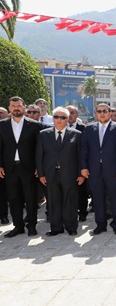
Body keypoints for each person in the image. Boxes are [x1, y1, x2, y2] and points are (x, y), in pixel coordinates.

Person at [80, 103, 116, 235]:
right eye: (99, 111)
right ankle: (100, 224)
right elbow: (84, 149)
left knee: (114, 197)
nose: (102, 113)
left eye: (105, 111)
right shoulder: (89, 129)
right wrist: (83, 167)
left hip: (113, 170)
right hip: (94, 170)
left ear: (109, 113)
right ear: (96, 113)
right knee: (97, 198)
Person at [36, 107, 84, 236]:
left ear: (68, 119)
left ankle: (71, 227)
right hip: (51, 174)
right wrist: (41, 174)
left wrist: (81, 174)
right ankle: (56, 227)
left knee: (70, 201)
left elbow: (81, 156)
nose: (59, 120)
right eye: (56, 117)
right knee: (53, 201)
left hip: (70, 174)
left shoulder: (76, 134)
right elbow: (39, 155)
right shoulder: (43, 134)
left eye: (62, 117)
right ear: (53, 118)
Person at [0, 96, 43, 237]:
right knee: (13, 198)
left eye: (18, 105)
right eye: (13, 106)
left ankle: (32, 225)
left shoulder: (34, 125)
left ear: (24, 107)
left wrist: (38, 166)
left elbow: (39, 148)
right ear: (9, 108)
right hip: (9, 168)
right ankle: (18, 226)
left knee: (30, 198)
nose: (16, 108)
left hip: (29, 168)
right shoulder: (2, 125)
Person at [66, 105, 89, 222]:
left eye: (73, 112)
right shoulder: (59, 127)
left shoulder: (84, 128)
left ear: (77, 115)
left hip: (80, 165)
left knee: (81, 191)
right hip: (64, 167)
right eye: (68, 112)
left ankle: (83, 212)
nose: (70, 115)